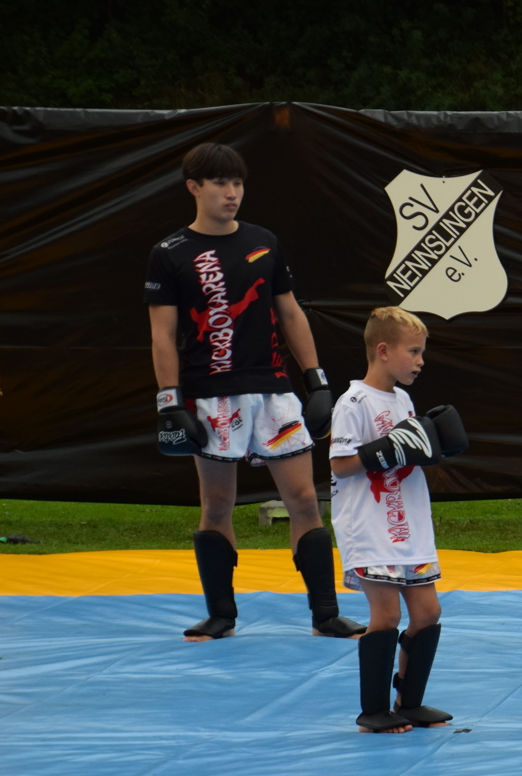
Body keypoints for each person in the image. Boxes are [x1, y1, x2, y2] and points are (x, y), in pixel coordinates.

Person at [145, 142, 363, 641]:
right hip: (211, 394)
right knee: (217, 504)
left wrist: (316, 379)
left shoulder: (264, 241)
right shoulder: (169, 253)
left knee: (304, 499)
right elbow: (162, 333)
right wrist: (169, 400)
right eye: (221, 183)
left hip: (272, 391)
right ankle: (221, 614)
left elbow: (290, 312)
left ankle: (325, 614)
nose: (232, 192)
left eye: (238, 182)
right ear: (194, 187)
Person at [328, 306, 468, 733]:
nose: (421, 361)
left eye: (422, 352)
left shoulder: (403, 399)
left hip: (408, 522)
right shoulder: (352, 402)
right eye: (414, 351)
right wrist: (385, 450)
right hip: (369, 524)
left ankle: (409, 702)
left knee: (428, 611)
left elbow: (409, 450)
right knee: (385, 614)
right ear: (384, 351)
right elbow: (340, 465)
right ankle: (373, 710)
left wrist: (429, 447)